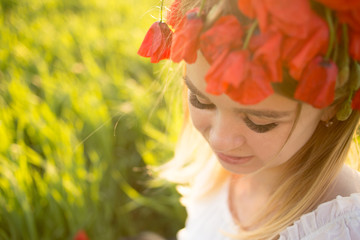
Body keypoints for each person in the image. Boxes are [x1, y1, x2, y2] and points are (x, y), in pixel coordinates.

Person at [138, 0, 360, 239]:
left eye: (260, 122)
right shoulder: (222, 171)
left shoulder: (335, 230)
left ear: (331, 103)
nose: (219, 140)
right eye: (201, 101)